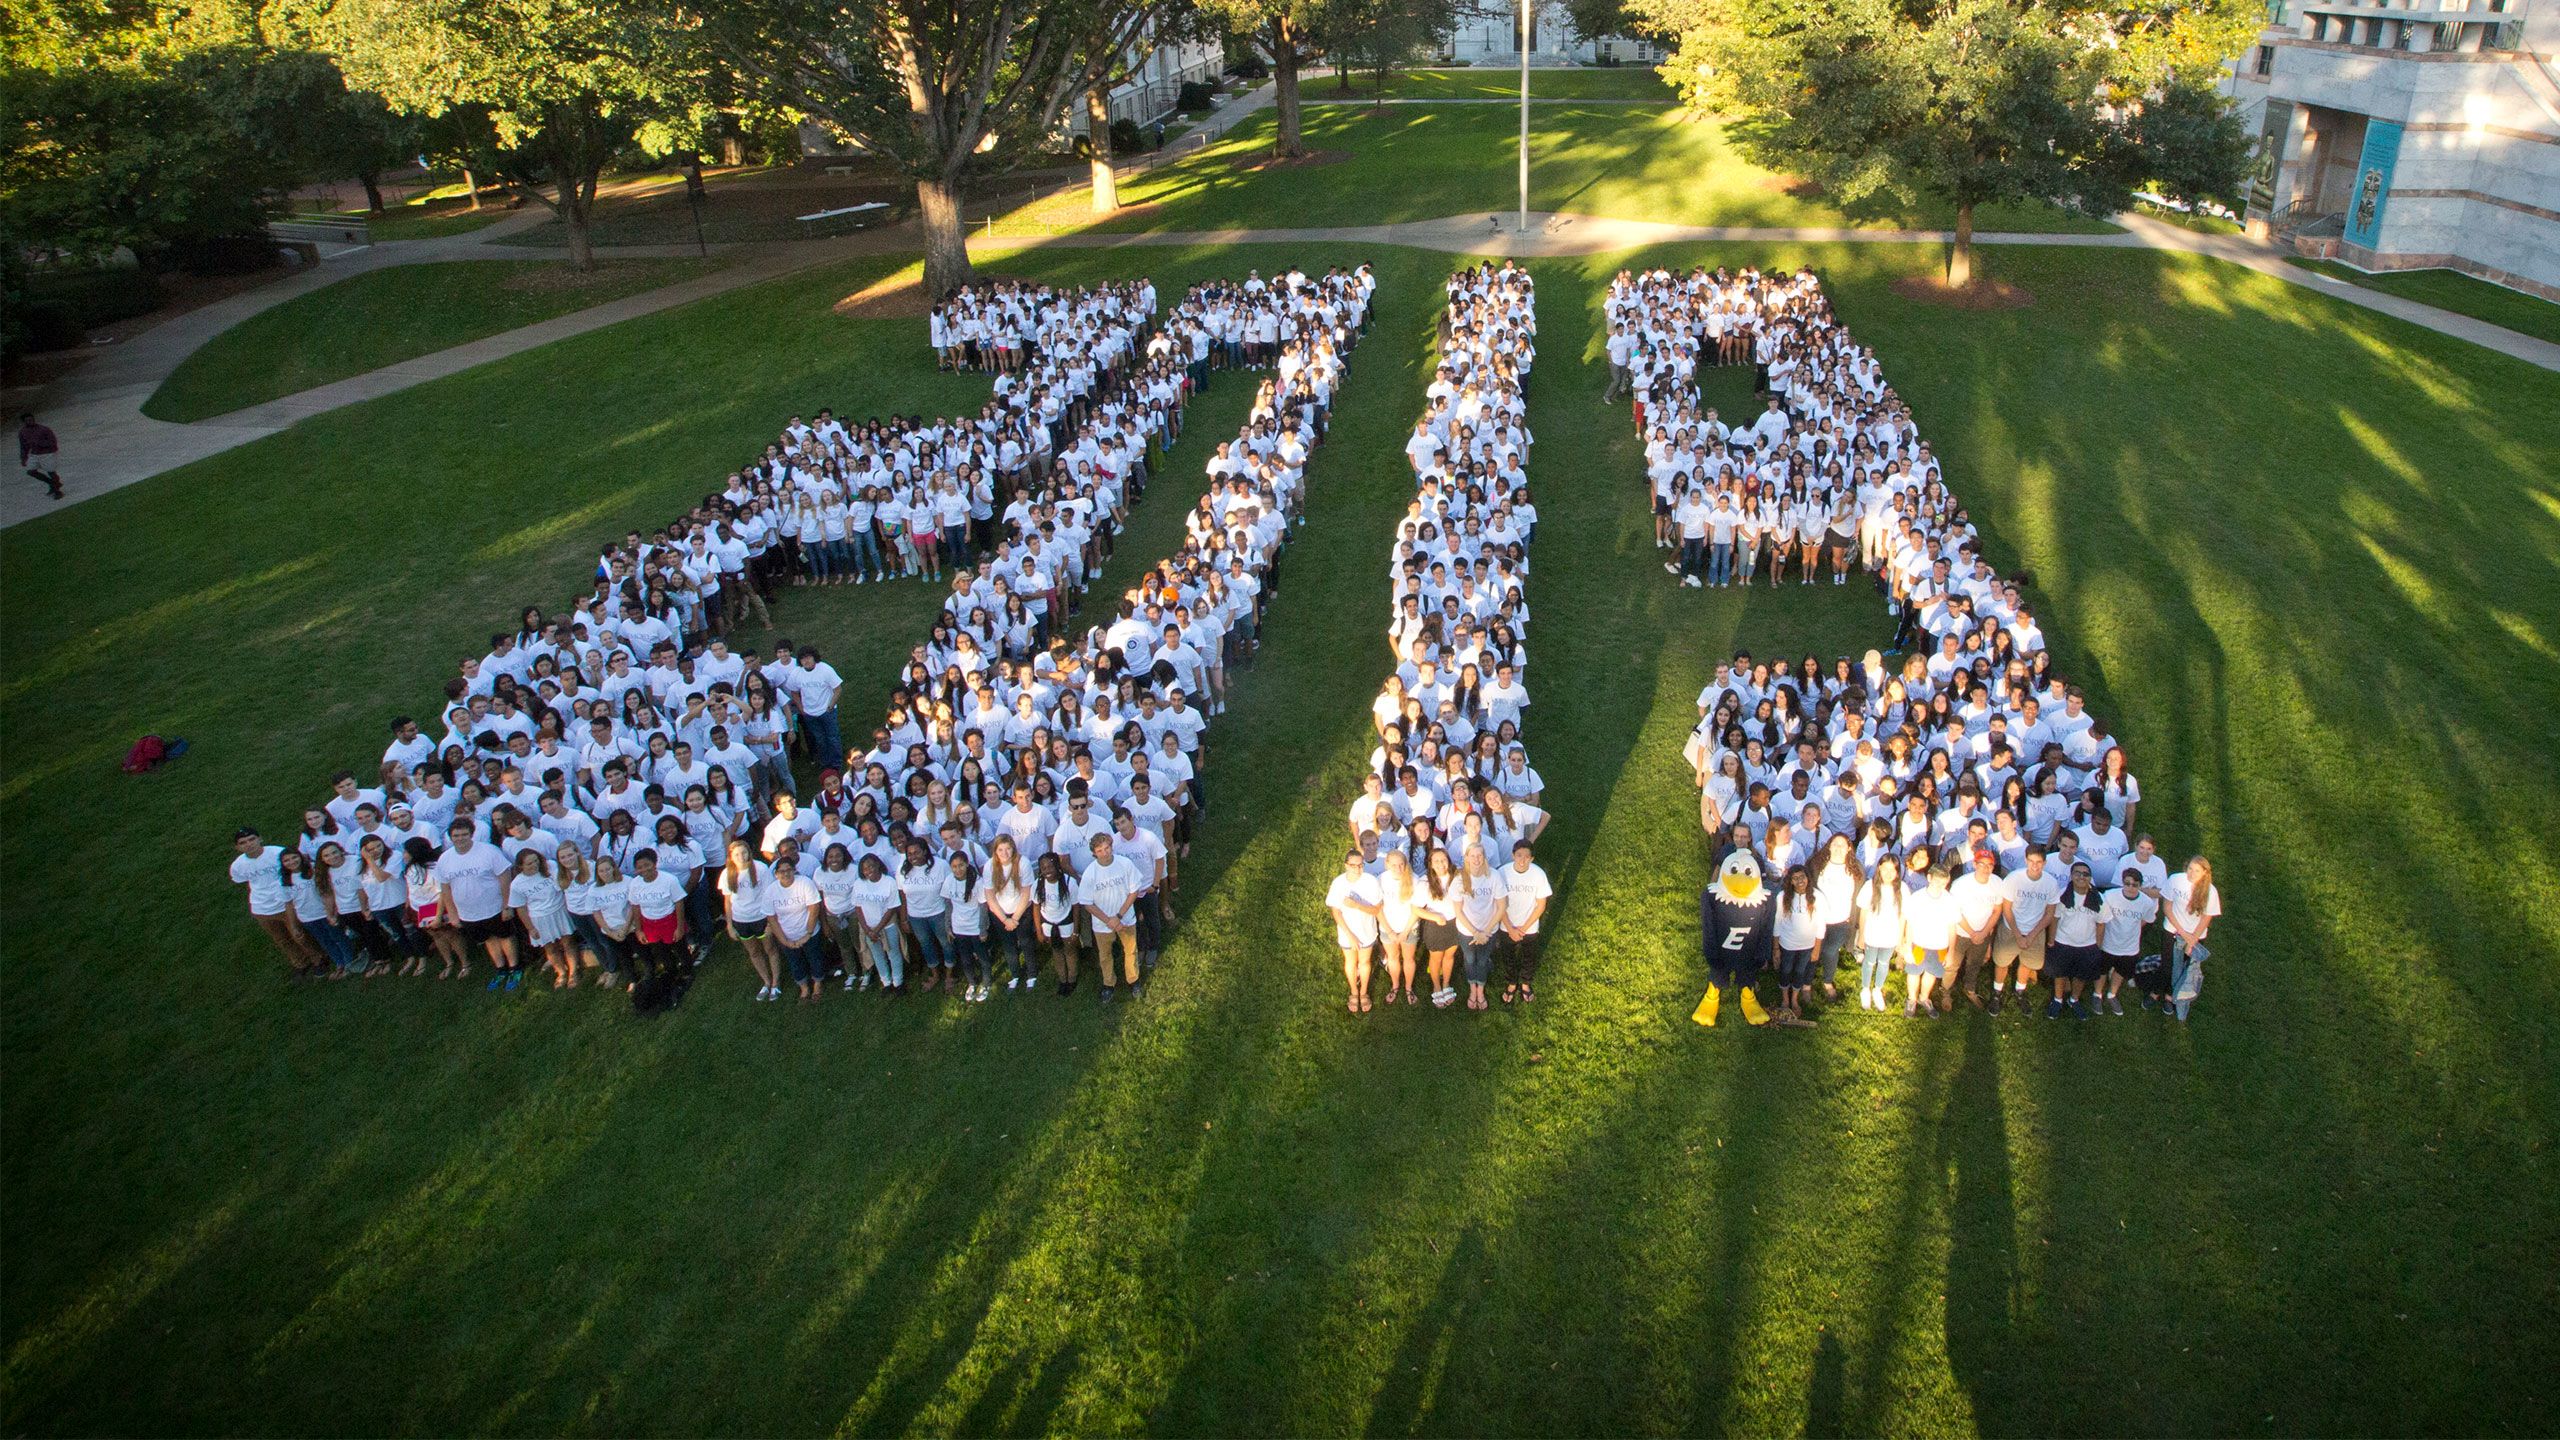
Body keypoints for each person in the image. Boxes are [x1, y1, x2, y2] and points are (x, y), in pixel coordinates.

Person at [1696, 849, 1776, 1027]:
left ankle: (1748, 995)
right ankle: (1712, 994)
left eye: (1748, 872)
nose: (1741, 879)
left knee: (1747, 971)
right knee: (1718, 971)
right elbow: (1708, 926)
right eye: (1734, 871)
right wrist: (1711, 953)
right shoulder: (1713, 897)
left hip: (1748, 949)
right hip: (1721, 947)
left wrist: (1762, 954)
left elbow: (1766, 928)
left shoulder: (1765, 901)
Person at [231, 827, 322, 976]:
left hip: (285, 903)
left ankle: (318, 959)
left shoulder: (277, 853)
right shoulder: (238, 865)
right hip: (261, 909)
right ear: (238, 847)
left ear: (260, 839)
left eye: (252, 839)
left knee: (299, 935)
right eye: (243, 842)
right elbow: (241, 879)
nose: (249, 844)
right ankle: (300, 963)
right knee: (282, 940)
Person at [1077, 832, 1143, 1002]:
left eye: (1107, 848)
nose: (1105, 853)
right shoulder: (1090, 873)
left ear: (1112, 846)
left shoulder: (1125, 864)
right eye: (1100, 850)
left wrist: (1119, 916)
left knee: (1130, 950)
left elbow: (1133, 891)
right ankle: (1109, 983)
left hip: (1126, 918)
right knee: (1105, 955)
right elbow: (1087, 903)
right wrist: (1109, 920)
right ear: (1094, 853)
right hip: (1102, 925)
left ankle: (1133, 980)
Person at [1946, 845, 2009, 1011]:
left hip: (1983, 933)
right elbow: (1955, 912)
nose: (1985, 868)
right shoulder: (1961, 884)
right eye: (1982, 864)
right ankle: (1945, 990)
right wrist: (1973, 932)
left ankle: (1969, 988)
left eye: (1989, 865)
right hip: (1961, 932)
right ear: (1974, 864)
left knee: (1974, 964)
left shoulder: (1997, 883)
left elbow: (1997, 910)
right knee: (1953, 965)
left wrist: (1983, 933)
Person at [2096, 863, 2162, 1017]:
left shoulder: (2146, 902)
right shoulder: (2109, 896)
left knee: (2121, 972)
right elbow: (2101, 917)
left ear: (2140, 885)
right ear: (2122, 882)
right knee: (2102, 970)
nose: (2130, 887)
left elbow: (2147, 919)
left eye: (2135, 885)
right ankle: (2097, 994)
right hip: (2108, 943)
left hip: (2130, 947)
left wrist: (2133, 929)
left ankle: (2112, 994)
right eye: (2127, 883)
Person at [2160, 855, 2221, 1020]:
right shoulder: (2176, 880)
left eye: (2197, 871)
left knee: (2187, 967)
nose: (2192, 873)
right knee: (2168, 965)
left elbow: (2206, 918)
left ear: (2204, 873)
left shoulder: (2210, 891)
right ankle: (2167, 994)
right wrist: (2182, 932)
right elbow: (2167, 906)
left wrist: (2192, 939)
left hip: (2196, 935)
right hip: (2173, 929)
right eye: (2190, 869)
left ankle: (2178, 996)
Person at [509, 849, 576, 989]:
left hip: (559, 910)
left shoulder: (550, 866)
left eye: (536, 860)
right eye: (529, 863)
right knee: (550, 948)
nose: (534, 865)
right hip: (539, 918)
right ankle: (561, 972)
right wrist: (530, 928)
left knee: (568, 942)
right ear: (521, 866)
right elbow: (520, 908)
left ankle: (573, 973)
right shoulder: (517, 884)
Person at [2046, 862, 2105, 1019]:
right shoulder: (2062, 895)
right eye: (2077, 873)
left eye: (2085, 874)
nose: (2081, 877)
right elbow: (2055, 918)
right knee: (2060, 973)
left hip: (2087, 945)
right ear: (2071, 876)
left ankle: (2074, 1000)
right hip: (2062, 941)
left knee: (2081, 976)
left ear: (2090, 878)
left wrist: (2097, 946)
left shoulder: (2099, 899)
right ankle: (2058, 1000)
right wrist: (2051, 940)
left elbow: (2101, 924)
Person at [766, 856, 827, 1002]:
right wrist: (784, 940)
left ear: (795, 870)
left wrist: (808, 933)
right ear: (776, 874)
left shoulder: (805, 883)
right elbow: (772, 918)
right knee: (795, 962)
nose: (785, 874)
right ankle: (804, 988)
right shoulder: (771, 891)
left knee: (815, 958)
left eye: (789, 870)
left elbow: (814, 908)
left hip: (808, 932)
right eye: (781, 871)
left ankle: (817, 984)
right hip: (787, 935)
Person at [1902, 862, 1959, 1018]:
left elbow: (1952, 927)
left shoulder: (1950, 900)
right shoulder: (1917, 898)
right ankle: (1912, 999)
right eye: (1937, 881)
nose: (1940, 886)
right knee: (1914, 972)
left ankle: (1924, 998)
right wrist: (1907, 947)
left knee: (1931, 973)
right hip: (1918, 943)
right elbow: (1910, 924)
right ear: (1929, 878)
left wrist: (1951, 952)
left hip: (1939, 945)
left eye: (1944, 883)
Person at [1498, 839, 1550, 1004]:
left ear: (1532, 859)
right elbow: (1498, 904)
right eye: (1519, 855)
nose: (1522, 860)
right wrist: (1510, 928)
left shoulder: (1538, 874)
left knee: (1529, 956)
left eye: (1526, 857)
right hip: (1506, 924)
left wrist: (1523, 928)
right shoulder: (1502, 872)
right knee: (1508, 957)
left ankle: (1526, 983)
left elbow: (1541, 905)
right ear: (1513, 855)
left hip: (1529, 926)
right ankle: (1512, 983)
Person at [1772, 863, 1823, 1026]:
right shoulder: (1782, 897)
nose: (1800, 881)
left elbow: (1821, 925)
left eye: (1803, 877)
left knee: (1800, 971)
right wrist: (1776, 948)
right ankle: (1785, 999)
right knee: (1786, 970)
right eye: (1795, 878)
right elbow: (1777, 922)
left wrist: (1817, 948)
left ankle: (1795, 1000)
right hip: (1787, 944)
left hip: (1807, 945)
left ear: (1808, 878)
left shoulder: (1817, 897)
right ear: (1790, 881)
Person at [1855, 853, 1907, 1012]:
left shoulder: (1902, 889)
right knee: (1869, 961)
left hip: (1890, 935)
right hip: (1872, 933)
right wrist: (1862, 935)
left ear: (1898, 872)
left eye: (1893, 870)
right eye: (1885, 869)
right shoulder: (1870, 886)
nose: (1889, 873)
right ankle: (1865, 989)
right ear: (1879, 868)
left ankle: (1877, 989)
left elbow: (1903, 916)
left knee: (1884, 963)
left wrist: (1900, 939)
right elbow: (1863, 912)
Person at [18, 412, 62, 500]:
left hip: (47, 453)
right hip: (35, 454)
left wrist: (40, 444)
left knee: (51, 472)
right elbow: (23, 446)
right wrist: (24, 458)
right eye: (28, 420)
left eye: (31, 419)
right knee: (31, 471)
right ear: (24, 422)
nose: (30, 421)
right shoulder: (22, 432)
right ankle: (53, 483)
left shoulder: (44, 429)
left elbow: (53, 442)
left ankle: (57, 491)